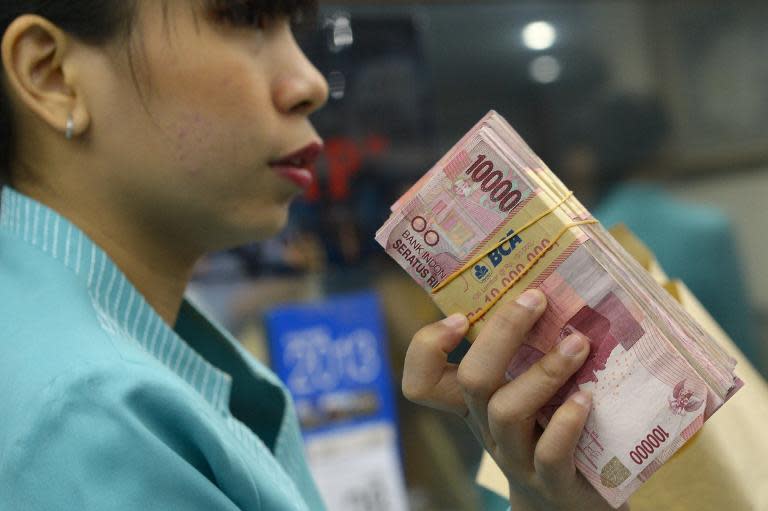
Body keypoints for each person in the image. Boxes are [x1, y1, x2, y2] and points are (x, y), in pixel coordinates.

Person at [0, 2, 618, 510]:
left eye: (289, 30)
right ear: (52, 75)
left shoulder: (91, 341)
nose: (311, 84)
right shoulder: (92, 418)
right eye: (242, 20)